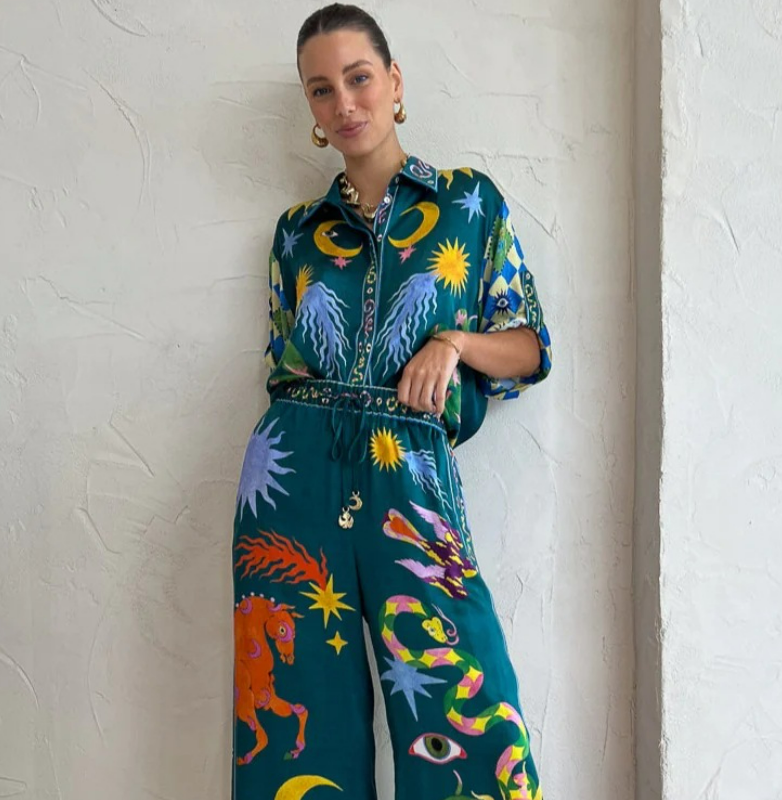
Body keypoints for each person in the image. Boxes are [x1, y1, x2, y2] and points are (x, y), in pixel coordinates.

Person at [231, 5, 552, 800]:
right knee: (302, 724)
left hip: (410, 470)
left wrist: (454, 344)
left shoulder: (468, 204)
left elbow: (530, 348)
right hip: (295, 477)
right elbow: (281, 366)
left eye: (359, 78)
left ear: (395, 81)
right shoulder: (296, 233)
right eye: (321, 89)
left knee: (466, 701)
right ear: (310, 108)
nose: (344, 103)